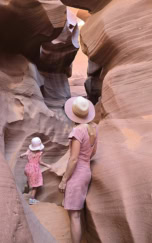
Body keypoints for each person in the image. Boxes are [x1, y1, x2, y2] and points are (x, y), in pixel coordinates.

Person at [59, 96, 98, 243]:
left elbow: (73, 159)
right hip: (86, 171)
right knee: (77, 213)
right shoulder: (94, 129)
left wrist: (64, 180)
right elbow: (93, 152)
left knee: (74, 216)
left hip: (76, 175)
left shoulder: (77, 131)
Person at [20, 137, 51, 205]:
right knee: (35, 186)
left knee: (30, 180)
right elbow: (40, 162)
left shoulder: (29, 151)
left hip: (28, 168)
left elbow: (22, 155)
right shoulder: (39, 153)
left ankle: (28, 190)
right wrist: (47, 165)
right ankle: (32, 199)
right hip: (34, 169)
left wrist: (23, 155)